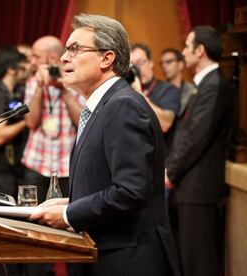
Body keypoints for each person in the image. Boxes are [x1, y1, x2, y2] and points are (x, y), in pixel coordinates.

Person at [30, 14, 181, 276]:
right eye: (66, 49)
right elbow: (106, 183)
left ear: (106, 58)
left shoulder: (123, 106)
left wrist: (68, 214)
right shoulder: (103, 106)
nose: (64, 57)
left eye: (75, 49)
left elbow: (130, 192)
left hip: (128, 261)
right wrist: (68, 202)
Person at [165, 26, 233, 276]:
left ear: (200, 50)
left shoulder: (214, 85)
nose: (184, 52)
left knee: (200, 260)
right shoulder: (206, 84)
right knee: (190, 256)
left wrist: (171, 172)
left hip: (199, 186)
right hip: (191, 185)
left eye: (187, 46)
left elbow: (196, 137)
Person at [22, 35, 83, 203]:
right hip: (36, 163)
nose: (32, 61)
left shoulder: (76, 81)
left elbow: (83, 123)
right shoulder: (33, 81)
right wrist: (40, 88)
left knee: (64, 222)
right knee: (32, 219)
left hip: (67, 167)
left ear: (53, 58)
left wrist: (63, 89)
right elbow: (31, 122)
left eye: (36, 56)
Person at [0, 46, 29, 197]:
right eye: (22, 67)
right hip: (0, 171)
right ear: (11, 69)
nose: (25, 71)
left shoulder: (11, 93)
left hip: (9, 168)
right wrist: (26, 123)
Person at [130, 43, 181, 158]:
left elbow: (165, 124)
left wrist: (139, 94)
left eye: (140, 63)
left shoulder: (168, 90)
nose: (137, 69)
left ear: (151, 62)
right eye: (132, 65)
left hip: (161, 162)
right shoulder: (126, 93)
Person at [160, 48, 195, 117]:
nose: (163, 66)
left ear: (180, 65)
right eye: (161, 63)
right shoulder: (159, 91)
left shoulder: (192, 90)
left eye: (168, 62)